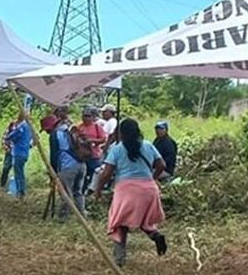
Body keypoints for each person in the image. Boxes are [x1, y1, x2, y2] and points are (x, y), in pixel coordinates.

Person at [95, 118, 167, 266]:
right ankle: (156, 235)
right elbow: (161, 165)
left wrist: (98, 189)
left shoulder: (117, 149)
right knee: (144, 220)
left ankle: (119, 260)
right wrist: (151, 178)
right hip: (148, 189)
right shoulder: (147, 145)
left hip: (126, 190)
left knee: (120, 224)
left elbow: (106, 173)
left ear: (121, 133)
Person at [50, 106, 85, 221]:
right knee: (77, 191)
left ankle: (63, 217)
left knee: (65, 192)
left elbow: (54, 155)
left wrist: (53, 171)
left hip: (68, 166)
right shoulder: (69, 129)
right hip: (81, 163)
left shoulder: (55, 134)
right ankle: (81, 214)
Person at [74, 107, 108, 195]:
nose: (86, 118)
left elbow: (103, 139)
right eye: (84, 116)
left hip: (94, 155)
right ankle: (82, 191)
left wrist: (92, 140)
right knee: (83, 176)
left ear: (92, 117)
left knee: (96, 173)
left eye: (88, 116)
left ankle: (94, 192)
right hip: (82, 155)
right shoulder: (79, 126)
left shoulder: (97, 127)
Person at [1, 110, 33, 198]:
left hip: (18, 152)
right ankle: (21, 191)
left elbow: (12, 136)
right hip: (24, 152)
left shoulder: (21, 127)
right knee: (20, 172)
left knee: (18, 173)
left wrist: (8, 137)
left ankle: (20, 192)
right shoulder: (29, 127)